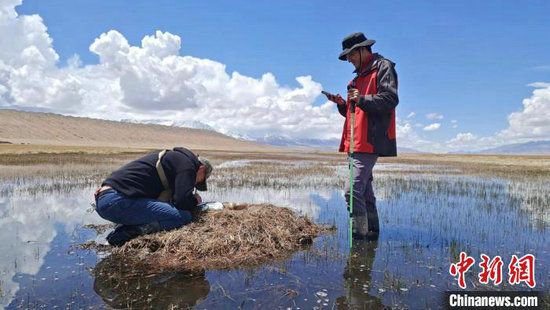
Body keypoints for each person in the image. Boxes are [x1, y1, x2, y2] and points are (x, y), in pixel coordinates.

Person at [325, 32, 399, 240]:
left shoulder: (383, 67)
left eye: (350, 55)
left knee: (352, 192)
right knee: (365, 192)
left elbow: (390, 99)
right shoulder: (356, 79)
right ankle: (373, 234)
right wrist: (341, 104)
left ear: (362, 49)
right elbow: (354, 111)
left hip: (369, 139)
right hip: (355, 140)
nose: (348, 60)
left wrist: (362, 98)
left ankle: (359, 239)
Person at [94, 147, 213, 246]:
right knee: (183, 216)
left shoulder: (172, 158)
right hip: (117, 201)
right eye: (201, 180)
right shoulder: (188, 165)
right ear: (201, 169)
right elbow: (181, 202)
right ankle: (126, 233)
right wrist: (194, 201)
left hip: (107, 199)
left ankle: (124, 228)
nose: (196, 184)